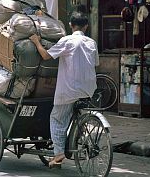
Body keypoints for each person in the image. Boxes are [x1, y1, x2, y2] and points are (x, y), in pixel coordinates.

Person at [29, 11, 99, 168]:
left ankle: (58, 154)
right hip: (89, 89)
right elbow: (95, 64)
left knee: (57, 118)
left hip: (69, 90)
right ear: (86, 26)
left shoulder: (67, 41)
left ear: (70, 25)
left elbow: (46, 56)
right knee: (71, 112)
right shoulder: (91, 42)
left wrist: (36, 42)